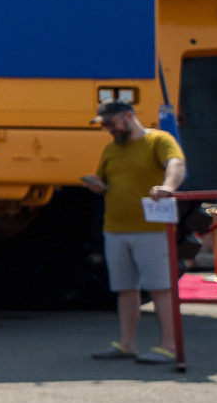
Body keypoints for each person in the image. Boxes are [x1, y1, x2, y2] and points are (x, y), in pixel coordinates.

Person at [78, 98, 187, 364]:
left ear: (128, 116)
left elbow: (176, 164)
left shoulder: (158, 140)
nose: (109, 129)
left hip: (152, 229)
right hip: (115, 229)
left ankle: (169, 346)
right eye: (104, 125)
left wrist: (168, 187)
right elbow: (105, 182)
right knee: (125, 288)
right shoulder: (110, 150)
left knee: (160, 288)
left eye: (111, 123)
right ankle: (127, 344)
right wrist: (96, 185)